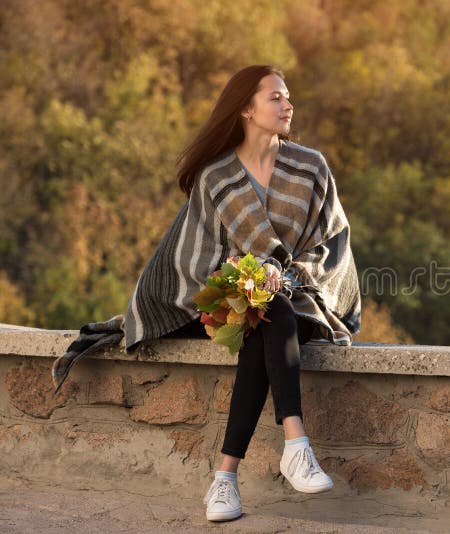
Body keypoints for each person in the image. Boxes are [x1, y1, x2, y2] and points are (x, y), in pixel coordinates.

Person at [122, 65, 362, 522]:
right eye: (275, 97)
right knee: (260, 310)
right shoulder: (217, 177)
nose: (287, 104)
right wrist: (241, 281)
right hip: (234, 300)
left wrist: (285, 278)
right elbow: (193, 253)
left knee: (271, 311)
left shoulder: (311, 167)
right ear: (246, 110)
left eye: (288, 96)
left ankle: (226, 480)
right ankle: (293, 446)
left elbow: (332, 244)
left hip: (299, 295)